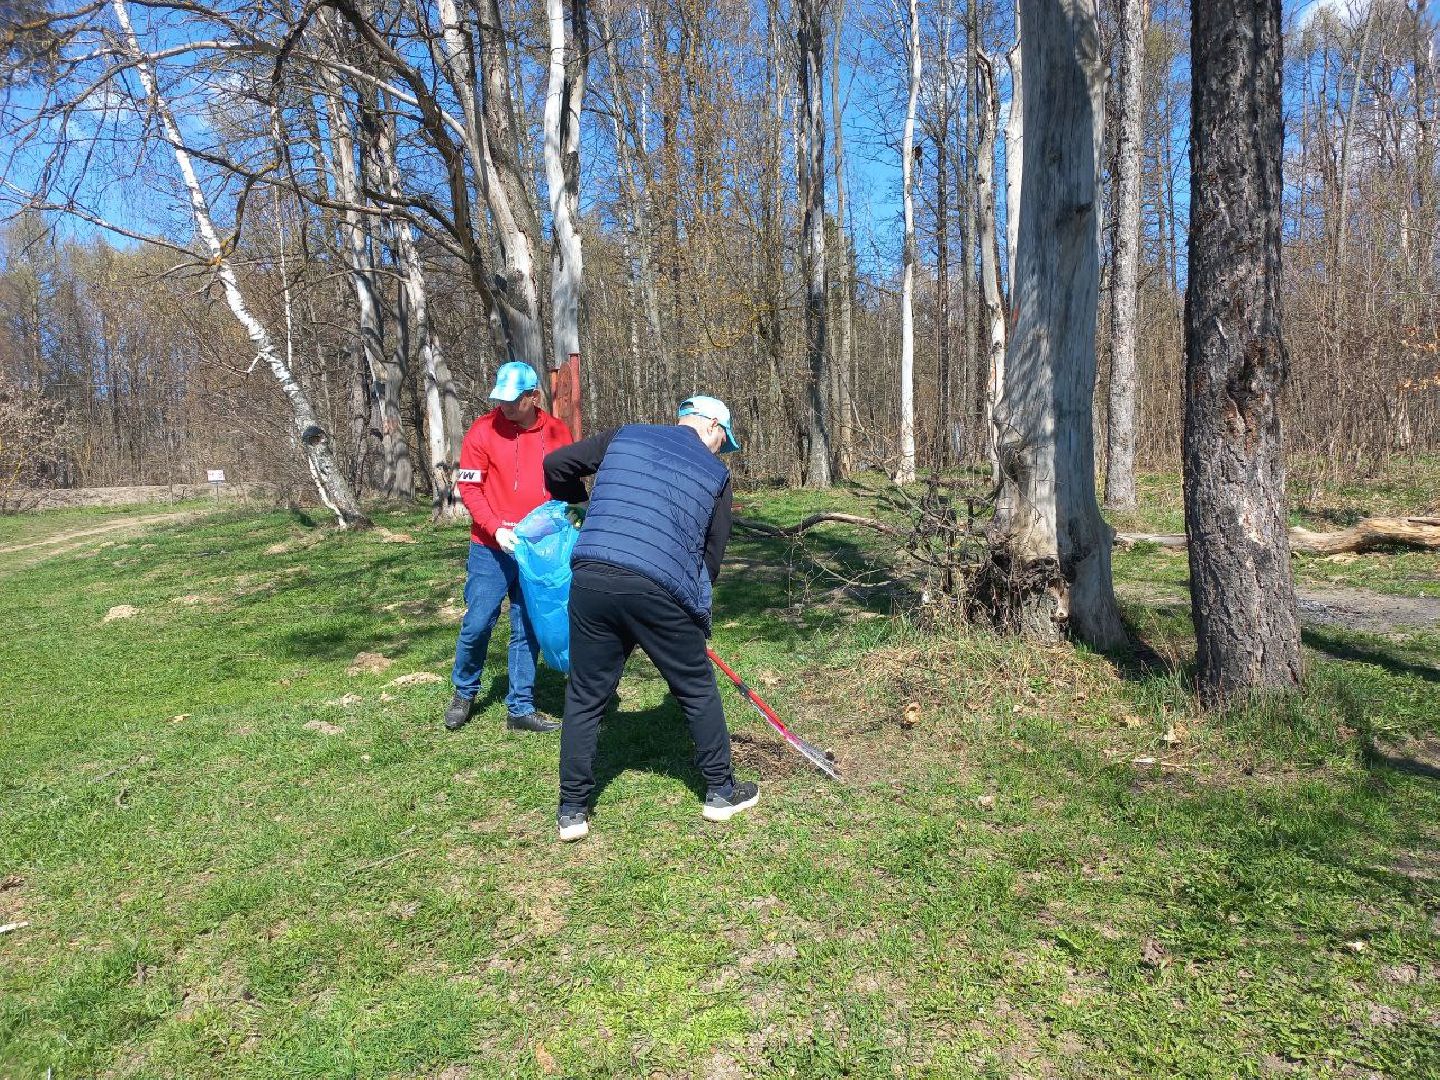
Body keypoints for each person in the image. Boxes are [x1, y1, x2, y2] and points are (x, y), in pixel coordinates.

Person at [543, 395, 757, 841]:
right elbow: (710, 559)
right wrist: (696, 614)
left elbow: (556, 465)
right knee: (696, 686)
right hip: (660, 586)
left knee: (585, 694)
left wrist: (583, 506)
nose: (722, 449)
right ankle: (721, 791)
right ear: (712, 428)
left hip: (593, 575)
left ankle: (572, 811)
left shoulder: (625, 435)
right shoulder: (717, 474)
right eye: (725, 439)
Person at [446, 361, 573, 734]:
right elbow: (469, 487)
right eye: (499, 399)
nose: (504, 406)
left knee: (527, 625)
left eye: (512, 401)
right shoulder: (482, 431)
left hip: (537, 547)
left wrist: (566, 520)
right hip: (490, 545)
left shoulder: (556, 431)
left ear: (533, 397)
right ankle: (464, 691)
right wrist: (495, 529)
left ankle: (520, 707)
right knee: (478, 620)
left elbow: (566, 483)